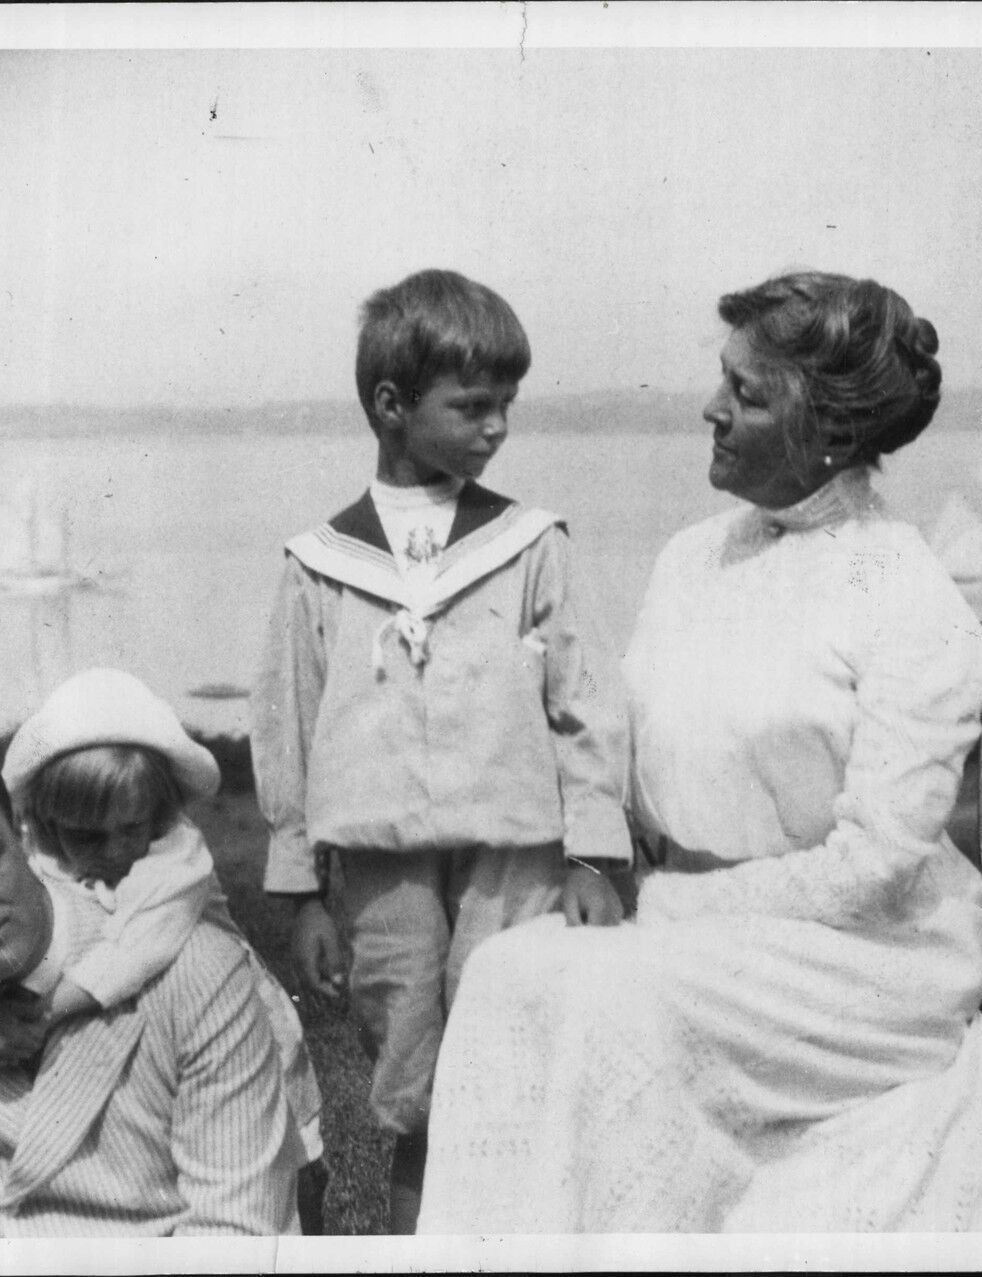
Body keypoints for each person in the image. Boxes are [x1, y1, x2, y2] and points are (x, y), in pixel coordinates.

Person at [417, 271, 982, 1233]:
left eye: (749, 394)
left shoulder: (907, 597)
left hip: (863, 960)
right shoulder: (694, 556)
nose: (711, 408)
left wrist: (674, 903)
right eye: (724, 379)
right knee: (508, 972)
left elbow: (876, 868)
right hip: (693, 923)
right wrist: (611, 859)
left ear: (838, 437)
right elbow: (627, 742)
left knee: (611, 999)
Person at [251, 268, 633, 1232]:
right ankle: (419, 1245)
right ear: (391, 406)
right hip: (383, 865)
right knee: (414, 1078)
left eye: (506, 404)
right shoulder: (319, 563)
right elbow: (286, 727)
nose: (497, 426)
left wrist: (593, 852)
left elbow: (585, 703)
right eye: (472, 405)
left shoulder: (529, 542)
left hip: (515, 851)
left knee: (512, 1054)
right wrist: (300, 891)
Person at [0, 667, 328, 1233]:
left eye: (131, 827)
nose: (115, 851)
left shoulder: (175, 859)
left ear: (158, 809)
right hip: (135, 1044)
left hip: (228, 1024)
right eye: (86, 836)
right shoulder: (29, 857)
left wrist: (45, 1011)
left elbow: (138, 950)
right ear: (43, 820)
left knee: (279, 1181)